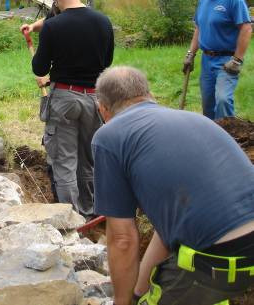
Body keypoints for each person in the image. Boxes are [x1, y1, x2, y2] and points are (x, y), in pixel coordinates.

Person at [93, 66, 254, 305]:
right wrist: (137, 293)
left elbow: (122, 239)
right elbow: (167, 231)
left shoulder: (109, 137)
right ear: (149, 95)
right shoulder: (194, 118)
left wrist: (121, 302)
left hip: (218, 259)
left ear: (102, 109)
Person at [26, 0, 113, 216]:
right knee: (89, 158)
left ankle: (72, 217)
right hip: (96, 99)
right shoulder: (103, 21)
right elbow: (106, 61)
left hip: (64, 99)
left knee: (64, 162)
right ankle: (90, 210)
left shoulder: (53, 26)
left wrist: (50, 72)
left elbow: (40, 68)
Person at [183, 0, 252, 119]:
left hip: (226, 60)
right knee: (208, 104)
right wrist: (190, 54)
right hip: (207, 60)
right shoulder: (203, 1)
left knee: (223, 100)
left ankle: (229, 137)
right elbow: (199, 28)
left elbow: (246, 28)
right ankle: (211, 138)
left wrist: (237, 60)